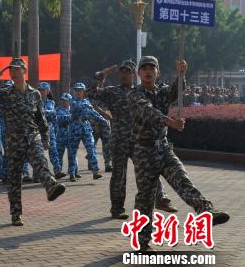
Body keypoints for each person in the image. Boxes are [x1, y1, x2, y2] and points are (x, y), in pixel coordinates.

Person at [128, 56, 229, 251]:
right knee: (146, 197)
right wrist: (170, 122)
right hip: (144, 151)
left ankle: (206, 210)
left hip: (163, 148)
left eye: (152, 68)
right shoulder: (135, 94)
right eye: (145, 68)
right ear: (139, 73)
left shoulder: (162, 91)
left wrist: (182, 73)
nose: (148, 71)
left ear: (157, 72)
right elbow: (148, 112)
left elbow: (176, 91)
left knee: (182, 179)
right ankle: (142, 242)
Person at [0, 58, 65, 226]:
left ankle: (51, 186)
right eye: (11, 70)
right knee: (14, 178)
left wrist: (45, 136)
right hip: (14, 139)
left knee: (40, 161)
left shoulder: (35, 93)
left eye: (17, 70)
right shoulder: (4, 93)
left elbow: (40, 117)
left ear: (24, 71)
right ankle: (16, 214)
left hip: (33, 136)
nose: (14, 73)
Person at [87, 60, 176, 220]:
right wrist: (100, 76)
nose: (123, 74)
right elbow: (91, 93)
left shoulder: (142, 92)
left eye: (127, 72)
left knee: (150, 170)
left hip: (139, 140)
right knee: (119, 176)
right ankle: (117, 208)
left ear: (134, 75)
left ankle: (160, 198)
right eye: (121, 72)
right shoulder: (112, 92)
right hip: (119, 140)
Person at [69, 83, 106, 180]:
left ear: (83, 92)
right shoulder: (72, 101)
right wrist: (88, 108)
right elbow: (77, 108)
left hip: (86, 128)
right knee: (73, 151)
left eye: (80, 90)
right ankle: (72, 173)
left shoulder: (87, 102)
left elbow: (93, 113)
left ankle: (95, 171)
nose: (78, 92)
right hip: (75, 128)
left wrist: (104, 120)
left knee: (91, 149)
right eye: (76, 90)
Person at [38, 82, 65, 179]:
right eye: (40, 90)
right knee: (38, 153)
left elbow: (53, 116)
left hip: (50, 130)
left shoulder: (51, 102)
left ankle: (57, 171)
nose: (42, 92)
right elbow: (49, 113)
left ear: (48, 91)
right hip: (38, 130)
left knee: (53, 150)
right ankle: (37, 174)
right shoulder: (35, 102)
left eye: (44, 90)